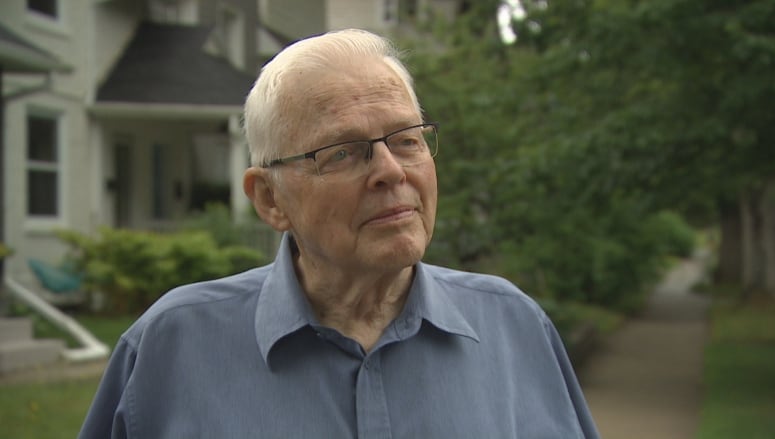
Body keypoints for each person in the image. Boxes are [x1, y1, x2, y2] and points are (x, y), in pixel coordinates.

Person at [79, 28, 600, 438]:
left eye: (407, 140)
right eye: (342, 152)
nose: (392, 171)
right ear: (269, 198)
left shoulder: (514, 327)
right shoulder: (170, 347)